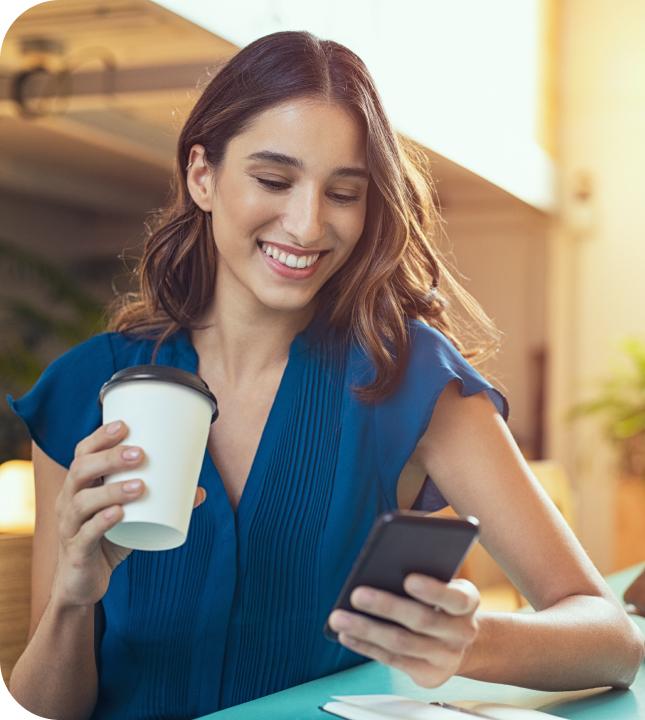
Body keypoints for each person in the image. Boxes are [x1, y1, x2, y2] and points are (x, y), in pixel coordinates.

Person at [6, 30, 643, 720]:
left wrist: (469, 640)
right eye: (273, 180)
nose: (307, 225)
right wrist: (72, 600)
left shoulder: (409, 380)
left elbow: (610, 638)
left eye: (343, 192)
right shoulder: (83, 389)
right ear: (202, 176)